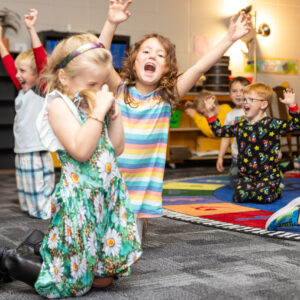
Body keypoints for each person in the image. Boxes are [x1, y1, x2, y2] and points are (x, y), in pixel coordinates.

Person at [0, 33, 142, 298]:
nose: (100, 90)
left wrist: (115, 116)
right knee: (72, 285)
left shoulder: (90, 104)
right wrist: (98, 113)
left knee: (102, 281)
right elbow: (80, 150)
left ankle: (39, 245)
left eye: (103, 84)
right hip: (81, 203)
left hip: (106, 200)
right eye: (92, 83)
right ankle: (10, 260)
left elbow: (117, 148)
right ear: (65, 78)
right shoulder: (58, 105)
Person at [99, 0, 251, 238]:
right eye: (146, 52)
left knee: (126, 252)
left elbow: (200, 67)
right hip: (111, 176)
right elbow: (100, 59)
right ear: (134, 59)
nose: (153, 56)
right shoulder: (119, 89)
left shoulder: (166, 98)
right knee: (101, 238)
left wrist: (230, 38)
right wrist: (111, 23)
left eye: (161, 55)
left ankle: (140, 225)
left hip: (141, 187)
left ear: (167, 68)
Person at [204, 83, 300, 203]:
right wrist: (211, 113)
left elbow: (296, 125)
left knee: (264, 197)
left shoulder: (272, 124)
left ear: (263, 104)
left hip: (268, 174)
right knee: (240, 197)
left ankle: (275, 188)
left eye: (250, 100)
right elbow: (219, 131)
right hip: (247, 175)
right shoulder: (240, 126)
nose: (245, 102)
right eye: (244, 99)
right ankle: (261, 188)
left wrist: (292, 105)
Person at [0, 9, 55, 219]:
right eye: (17, 71)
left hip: (37, 150)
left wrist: (31, 29)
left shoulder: (40, 90)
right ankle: (33, 210)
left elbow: (41, 60)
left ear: (37, 74)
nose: (17, 75)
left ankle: (46, 214)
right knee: (26, 190)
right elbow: (7, 63)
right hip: (23, 150)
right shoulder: (23, 90)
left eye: (23, 71)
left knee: (40, 192)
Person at [216, 76, 250, 188]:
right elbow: (225, 137)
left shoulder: (255, 110)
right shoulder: (230, 116)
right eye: (234, 91)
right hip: (237, 157)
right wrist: (220, 156)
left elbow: (270, 131)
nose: (238, 94)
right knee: (235, 186)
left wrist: (276, 150)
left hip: (254, 157)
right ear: (229, 94)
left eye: (242, 90)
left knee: (255, 183)